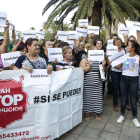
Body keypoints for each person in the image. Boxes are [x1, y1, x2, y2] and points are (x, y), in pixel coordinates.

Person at [80, 40, 106, 122]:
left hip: (97, 82)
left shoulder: (99, 60)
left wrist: (103, 65)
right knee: (87, 98)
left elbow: (104, 71)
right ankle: (87, 113)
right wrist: (89, 65)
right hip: (87, 83)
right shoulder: (85, 60)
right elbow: (82, 70)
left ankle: (96, 113)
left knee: (97, 98)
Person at [115, 42, 140, 127]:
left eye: (128, 46)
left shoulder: (138, 58)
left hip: (134, 80)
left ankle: (134, 117)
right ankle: (122, 115)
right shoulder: (124, 57)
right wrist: (112, 63)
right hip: (123, 79)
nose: (126, 47)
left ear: (132, 48)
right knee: (123, 98)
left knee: (133, 99)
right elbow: (118, 67)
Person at [107, 37, 130, 111]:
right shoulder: (112, 52)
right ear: (114, 44)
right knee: (116, 88)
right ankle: (115, 104)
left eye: (119, 41)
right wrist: (108, 60)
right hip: (115, 72)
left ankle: (126, 103)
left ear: (121, 43)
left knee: (125, 88)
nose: (118, 43)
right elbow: (109, 62)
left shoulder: (125, 50)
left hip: (124, 72)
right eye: (116, 42)